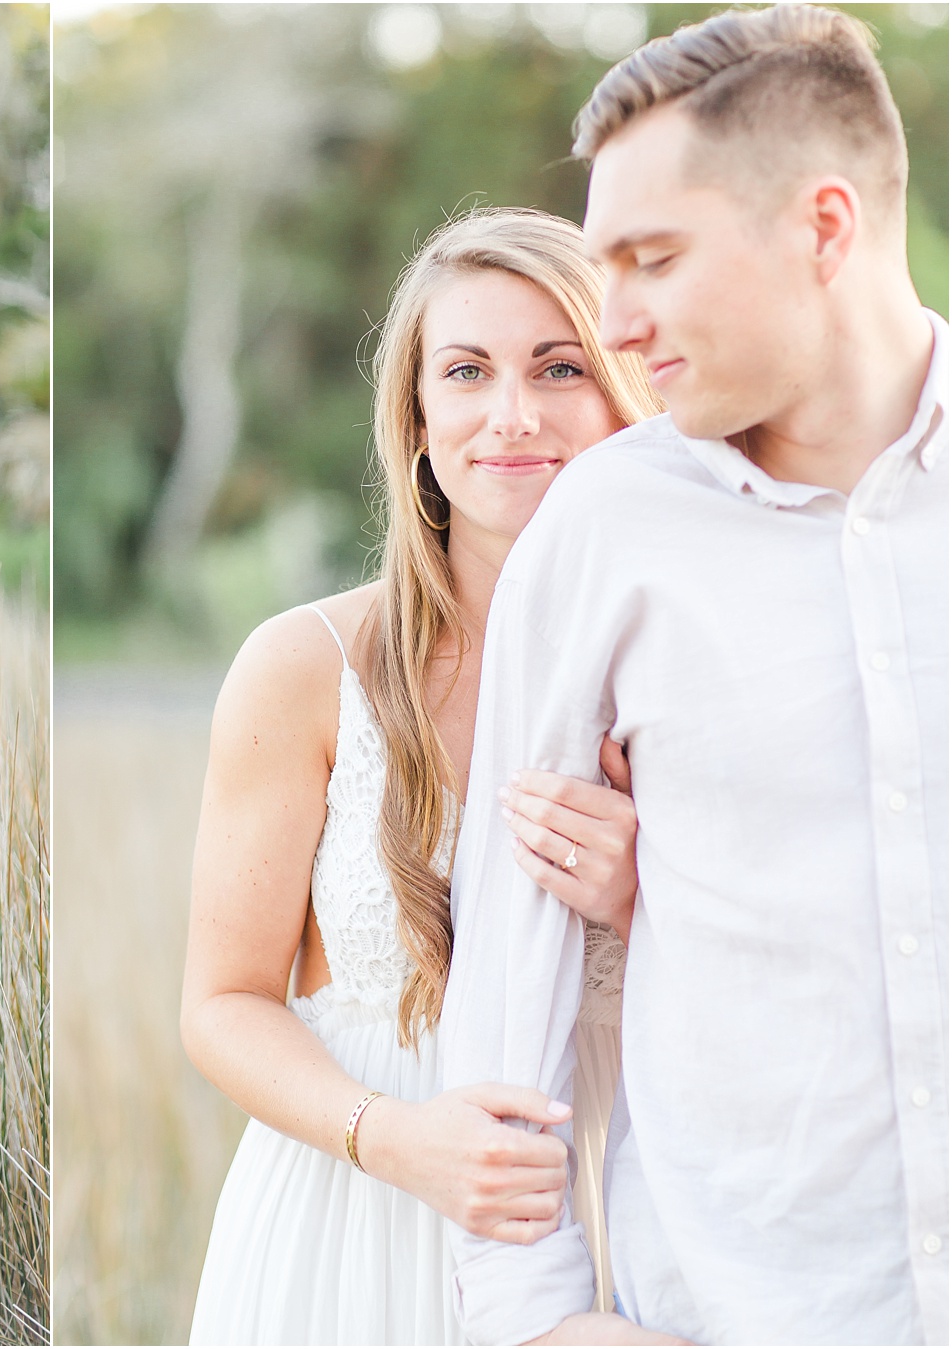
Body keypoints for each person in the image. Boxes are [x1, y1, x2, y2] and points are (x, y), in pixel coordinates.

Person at [439, 8, 945, 1345]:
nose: (619, 323)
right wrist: (542, 1324)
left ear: (825, 228)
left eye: (652, 261)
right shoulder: (602, 529)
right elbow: (510, 971)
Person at [181, 208, 662, 1345]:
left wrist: (647, 899)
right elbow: (220, 1002)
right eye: (468, 371)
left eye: (561, 368)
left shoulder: (687, 679)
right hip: (352, 1221)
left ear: (625, 397)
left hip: (600, 1218)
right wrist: (397, 1137)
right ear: (418, 417)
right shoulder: (305, 668)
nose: (514, 414)